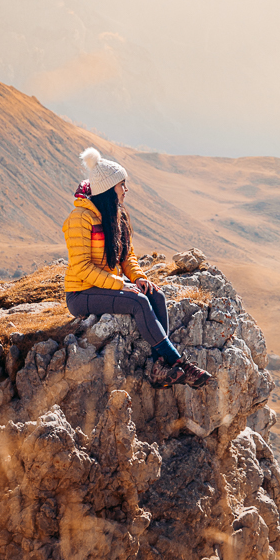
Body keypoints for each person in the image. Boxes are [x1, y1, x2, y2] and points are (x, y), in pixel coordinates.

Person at [62, 147, 213, 389]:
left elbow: (126, 257)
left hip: (107, 286)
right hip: (81, 294)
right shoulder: (80, 218)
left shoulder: (116, 216)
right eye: (122, 184)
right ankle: (179, 364)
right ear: (109, 188)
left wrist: (139, 278)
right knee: (138, 302)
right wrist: (121, 284)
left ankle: (159, 368)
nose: (126, 190)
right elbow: (81, 268)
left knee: (155, 294)